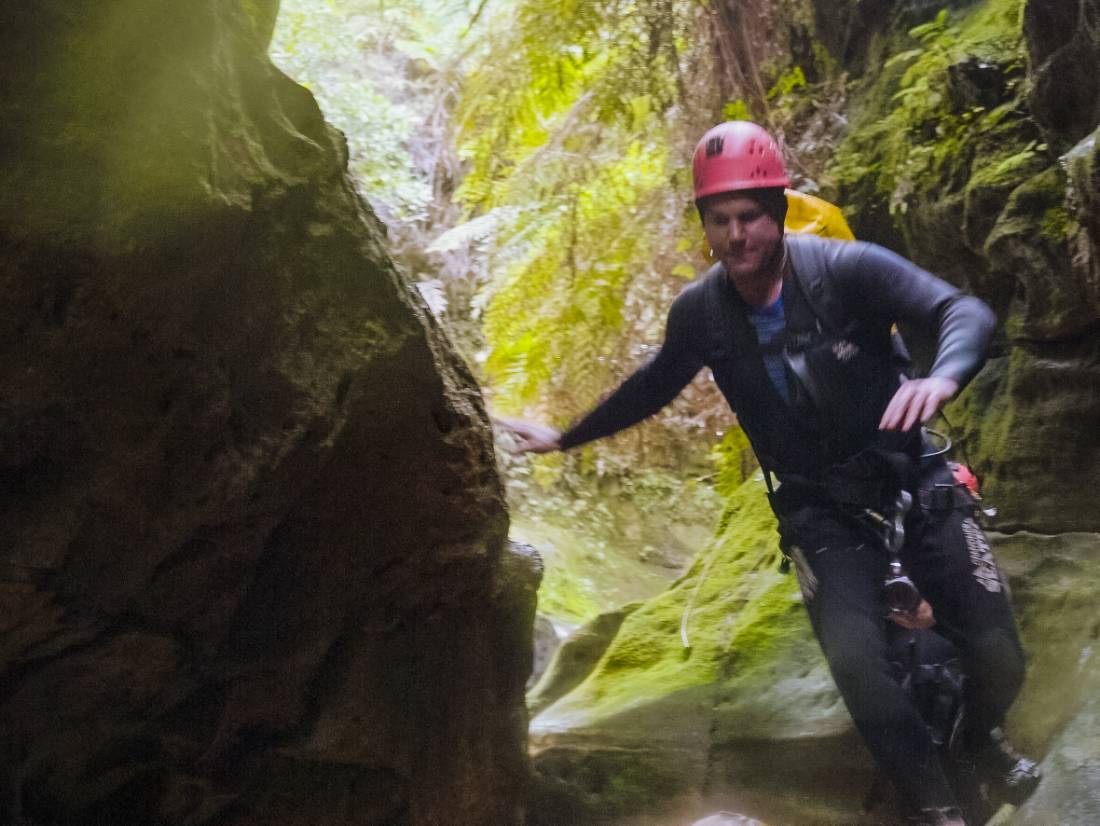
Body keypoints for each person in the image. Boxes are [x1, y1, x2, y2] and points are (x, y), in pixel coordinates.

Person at [505, 121, 1039, 826]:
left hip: (914, 479)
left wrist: (943, 377)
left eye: (750, 216)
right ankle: (938, 808)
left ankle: (978, 740)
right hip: (822, 514)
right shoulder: (702, 314)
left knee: (999, 655)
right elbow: (655, 384)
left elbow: (960, 310)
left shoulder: (848, 270)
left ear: (777, 212)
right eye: (719, 220)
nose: (736, 236)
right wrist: (565, 437)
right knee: (860, 671)